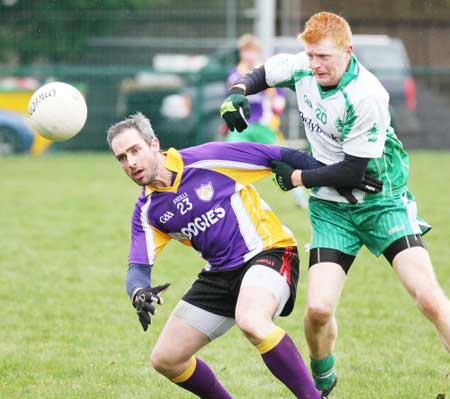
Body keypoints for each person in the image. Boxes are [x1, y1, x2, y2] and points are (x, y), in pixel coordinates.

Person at [219, 11, 450, 397]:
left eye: (323, 57)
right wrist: (237, 93)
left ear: (348, 51)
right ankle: (323, 383)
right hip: (331, 210)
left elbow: (351, 171)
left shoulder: (368, 94)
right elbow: (262, 73)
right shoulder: (305, 67)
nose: (314, 65)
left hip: (382, 204)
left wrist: (294, 176)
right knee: (318, 311)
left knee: (428, 298)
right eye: (310, 56)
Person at [106, 112, 381, 398]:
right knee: (166, 359)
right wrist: (138, 292)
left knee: (251, 320)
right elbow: (137, 267)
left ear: (154, 144)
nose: (131, 163)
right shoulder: (148, 211)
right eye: (122, 158)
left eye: (135, 150)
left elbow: (278, 154)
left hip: (269, 251)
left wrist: (342, 175)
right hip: (220, 273)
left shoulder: (208, 158)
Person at [225, 33, 309, 208]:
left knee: (283, 161)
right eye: (245, 51)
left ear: (257, 53)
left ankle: (300, 197)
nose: (249, 55)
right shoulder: (234, 74)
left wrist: (279, 103)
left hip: (265, 126)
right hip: (243, 127)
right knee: (227, 158)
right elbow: (229, 97)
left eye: (252, 51)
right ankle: (226, 199)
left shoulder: (265, 73)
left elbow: (279, 95)